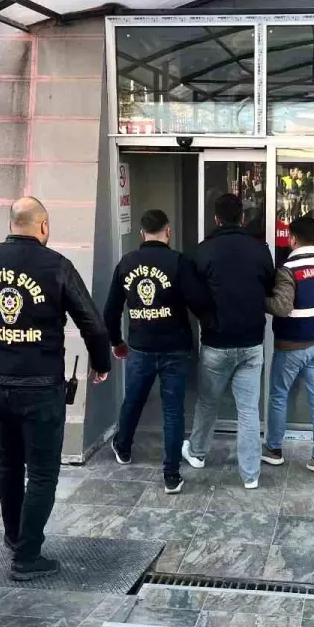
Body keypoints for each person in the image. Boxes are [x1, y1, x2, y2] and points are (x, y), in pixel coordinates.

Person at [0, 196, 111, 581]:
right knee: (41, 471)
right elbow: (93, 323)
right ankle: (27, 556)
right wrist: (101, 363)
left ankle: (14, 536)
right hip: (41, 385)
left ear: (11, 224)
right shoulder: (57, 266)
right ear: (43, 226)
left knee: (8, 463)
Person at [103, 208, 205, 494]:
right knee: (173, 411)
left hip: (140, 346)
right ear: (168, 231)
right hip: (175, 347)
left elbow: (110, 311)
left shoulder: (127, 263)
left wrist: (116, 342)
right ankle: (171, 475)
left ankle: (123, 447)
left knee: (133, 400)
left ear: (142, 233)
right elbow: (200, 303)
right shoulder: (178, 262)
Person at [183, 192, 276, 489]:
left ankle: (198, 453)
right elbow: (270, 285)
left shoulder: (204, 250)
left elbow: (192, 293)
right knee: (248, 410)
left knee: (207, 402)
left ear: (216, 218)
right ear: (242, 218)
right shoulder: (259, 249)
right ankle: (250, 475)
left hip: (216, 341)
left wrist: (207, 317)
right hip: (252, 342)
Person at [263, 213, 314, 474]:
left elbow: (282, 307)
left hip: (292, 345)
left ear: (292, 239)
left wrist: (258, 299)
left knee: (279, 395)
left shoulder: (288, 269)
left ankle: (274, 450)